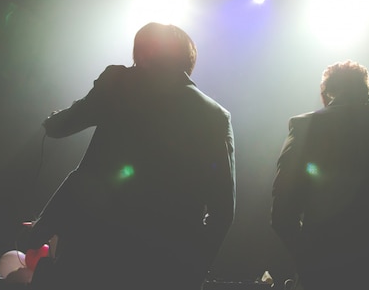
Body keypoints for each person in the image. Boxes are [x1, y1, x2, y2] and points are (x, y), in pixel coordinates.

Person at [26, 22, 236, 290]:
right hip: (163, 263)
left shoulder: (120, 82)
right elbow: (223, 212)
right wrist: (190, 270)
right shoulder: (215, 115)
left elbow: (65, 129)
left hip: (93, 249)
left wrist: (51, 120)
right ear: (187, 60)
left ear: (143, 52)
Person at [271, 60, 369, 290]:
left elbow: (282, 211)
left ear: (326, 93)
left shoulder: (305, 125)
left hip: (325, 272)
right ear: (365, 90)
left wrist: (310, 261)